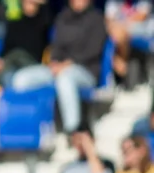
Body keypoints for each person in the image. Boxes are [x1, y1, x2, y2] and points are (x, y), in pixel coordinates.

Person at [10, 0, 107, 134]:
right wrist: (55, 63)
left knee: (65, 78)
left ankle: (72, 129)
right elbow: (56, 47)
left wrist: (69, 63)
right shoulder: (63, 17)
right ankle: (25, 129)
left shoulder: (97, 18)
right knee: (21, 78)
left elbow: (94, 50)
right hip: (58, 68)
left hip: (86, 70)